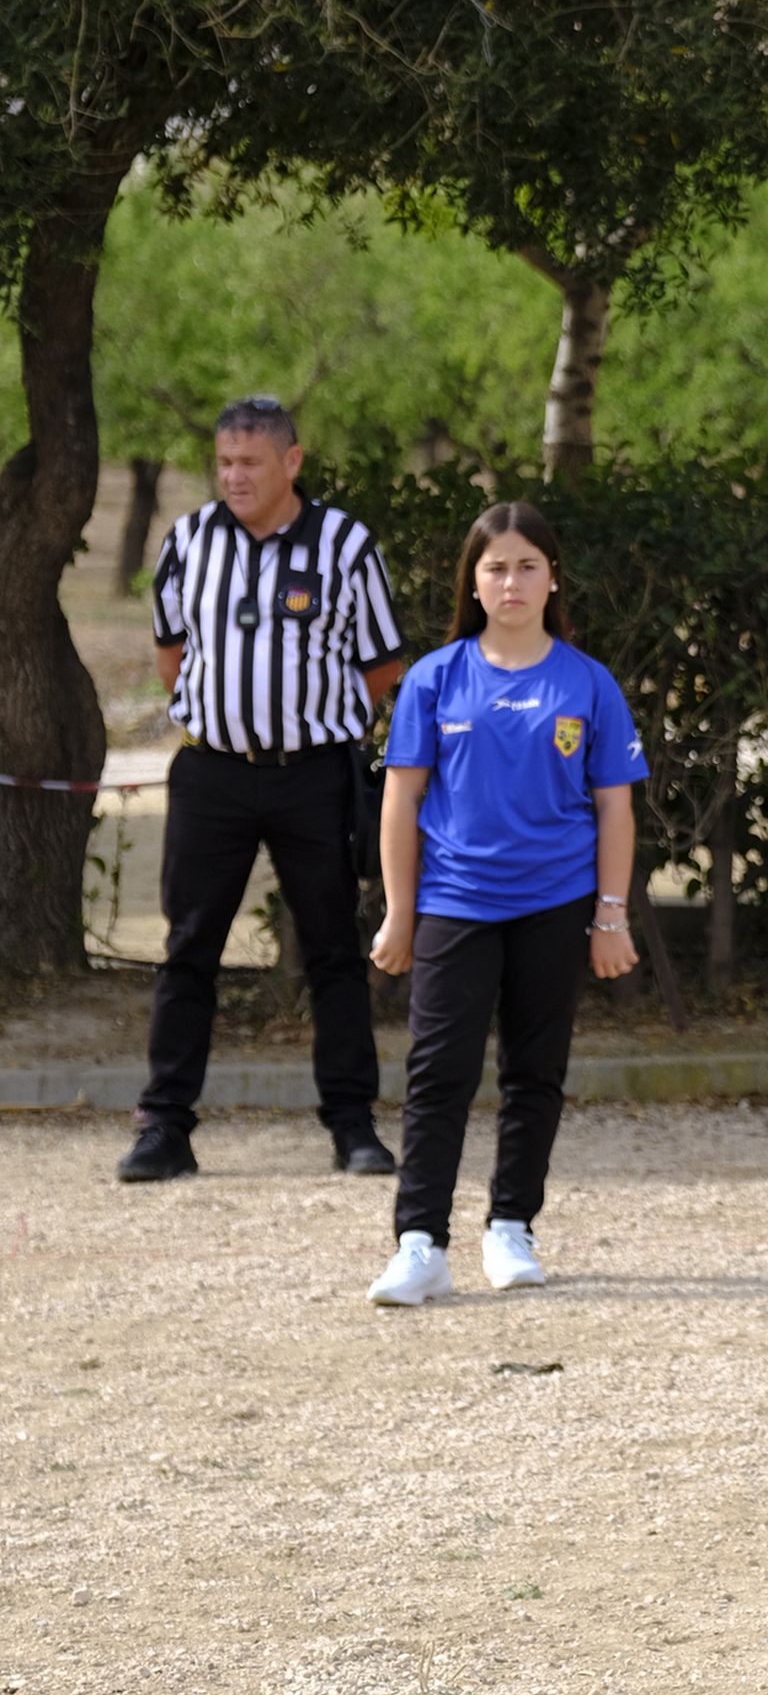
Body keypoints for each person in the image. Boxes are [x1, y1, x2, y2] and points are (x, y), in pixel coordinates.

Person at [364, 500, 648, 1307]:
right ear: (474, 582)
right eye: (496, 567)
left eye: (528, 565)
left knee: (534, 1072)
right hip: (455, 902)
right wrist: (398, 910)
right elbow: (400, 801)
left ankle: (511, 1226)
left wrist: (611, 914)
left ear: (552, 576)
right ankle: (420, 1242)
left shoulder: (588, 682)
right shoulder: (434, 677)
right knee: (438, 1071)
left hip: (556, 905)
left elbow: (616, 808)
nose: (512, 581)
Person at [117, 397, 405, 1183]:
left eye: (250, 462)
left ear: (292, 462)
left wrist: (306, 720)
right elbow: (172, 652)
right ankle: (165, 1126)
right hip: (212, 772)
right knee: (187, 952)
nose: (235, 476)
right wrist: (226, 715)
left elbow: (383, 668)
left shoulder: (345, 546)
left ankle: (352, 1125)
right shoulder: (189, 540)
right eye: (225, 462)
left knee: (333, 951)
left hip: (313, 776)